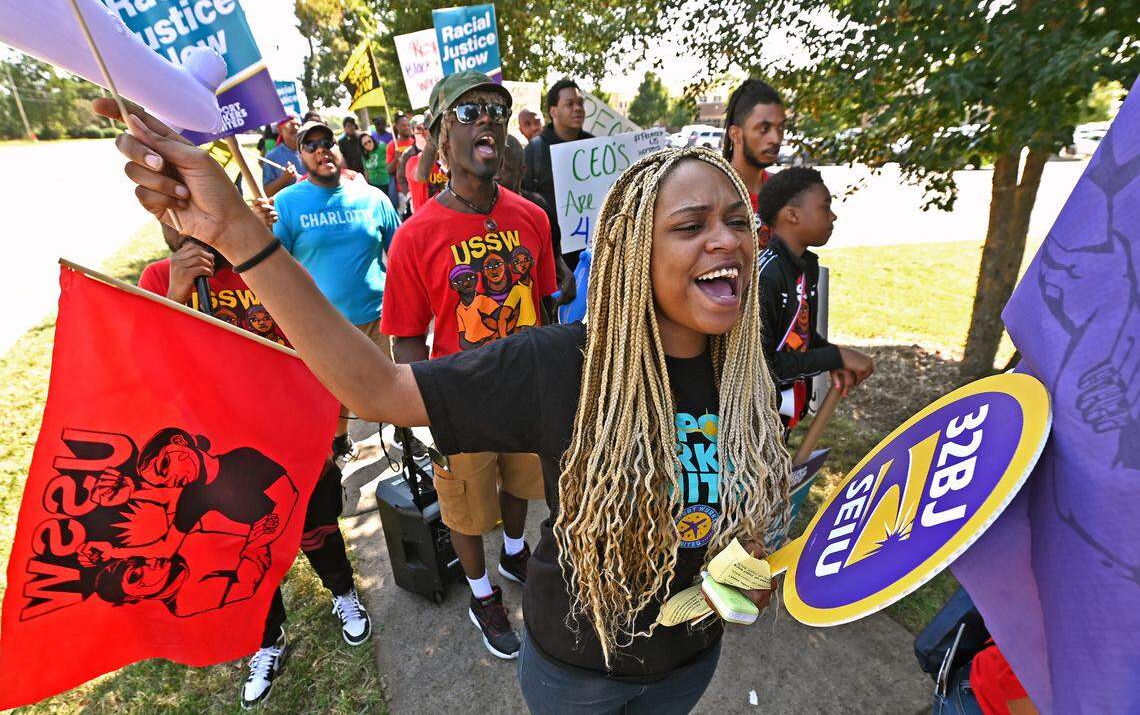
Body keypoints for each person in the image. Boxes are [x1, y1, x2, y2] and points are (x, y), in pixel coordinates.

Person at [102, 91, 786, 712]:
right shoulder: (561, 362)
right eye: (691, 225)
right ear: (636, 249)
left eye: (735, 221)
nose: (725, 239)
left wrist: (741, 563)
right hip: (582, 674)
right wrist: (237, 235)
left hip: (688, 663)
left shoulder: (745, 372)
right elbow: (378, 388)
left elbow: (726, 495)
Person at [136, 229, 372, 709]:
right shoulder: (159, 278)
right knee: (245, 554)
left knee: (317, 529)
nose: (183, 229)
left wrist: (332, 427)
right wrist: (175, 293)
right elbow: (147, 371)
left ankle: (343, 593)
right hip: (221, 458)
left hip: (295, 439)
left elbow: (319, 343)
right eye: (170, 217)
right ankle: (267, 639)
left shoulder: (265, 263)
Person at [380, 72, 557, 659]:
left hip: (528, 392)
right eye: (469, 111)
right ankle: (482, 593)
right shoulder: (415, 236)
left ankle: (513, 552)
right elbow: (406, 339)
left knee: (522, 487)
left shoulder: (531, 218)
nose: (488, 117)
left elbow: (549, 304)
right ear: (438, 138)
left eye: (496, 110)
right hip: (461, 400)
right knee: (464, 504)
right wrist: (425, 417)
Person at [268, 118, 402, 463]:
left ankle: (403, 432)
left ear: (338, 147)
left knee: (395, 384)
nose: (320, 149)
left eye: (326, 141)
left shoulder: (371, 197)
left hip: (379, 316)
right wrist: (260, 228)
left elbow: (400, 253)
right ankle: (339, 440)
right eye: (310, 145)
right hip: (324, 326)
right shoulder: (286, 203)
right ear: (300, 157)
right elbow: (274, 263)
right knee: (334, 395)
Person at [756, 167, 874, 428]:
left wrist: (831, 354)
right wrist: (835, 356)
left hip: (782, 412)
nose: (833, 216)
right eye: (824, 207)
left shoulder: (804, 266)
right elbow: (763, 365)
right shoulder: (767, 277)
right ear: (792, 215)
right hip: (754, 418)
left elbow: (800, 336)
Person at [499, 134, 575, 315]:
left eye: (505, 169)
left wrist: (566, 277)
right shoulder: (482, 215)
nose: (497, 176)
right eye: (493, 167)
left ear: (522, 171)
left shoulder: (538, 207)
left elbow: (555, 256)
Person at [523, 78, 594, 268]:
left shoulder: (596, 147)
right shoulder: (534, 152)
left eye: (580, 103)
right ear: (553, 111)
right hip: (552, 262)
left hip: (593, 257)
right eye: (569, 104)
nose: (578, 108)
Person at [722, 79, 786, 241]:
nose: (776, 138)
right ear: (735, 135)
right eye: (764, 129)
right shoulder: (713, 191)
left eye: (780, 128)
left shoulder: (783, 192)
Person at [406, 113, 448, 213]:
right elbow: (421, 175)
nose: (424, 132)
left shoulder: (449, 158)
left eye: (427, 128)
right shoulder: (412, 160)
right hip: (426, 219)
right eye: (419, 128)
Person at [263, 116, 305, 197]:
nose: (296, 127)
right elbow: (268, 193)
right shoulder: (272, 157)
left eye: (298, 125)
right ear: (280, 130)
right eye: (291, 124)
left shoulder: (312, 150)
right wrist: (284, 179)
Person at [386, 112, 414, 211]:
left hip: (416, 186)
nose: (406, 128)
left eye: (408, 125)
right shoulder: (392, 145)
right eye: (403, 125)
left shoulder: (415, 142)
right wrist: (396, 159)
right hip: (402, 191)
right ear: (397, 127)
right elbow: (389, 170)